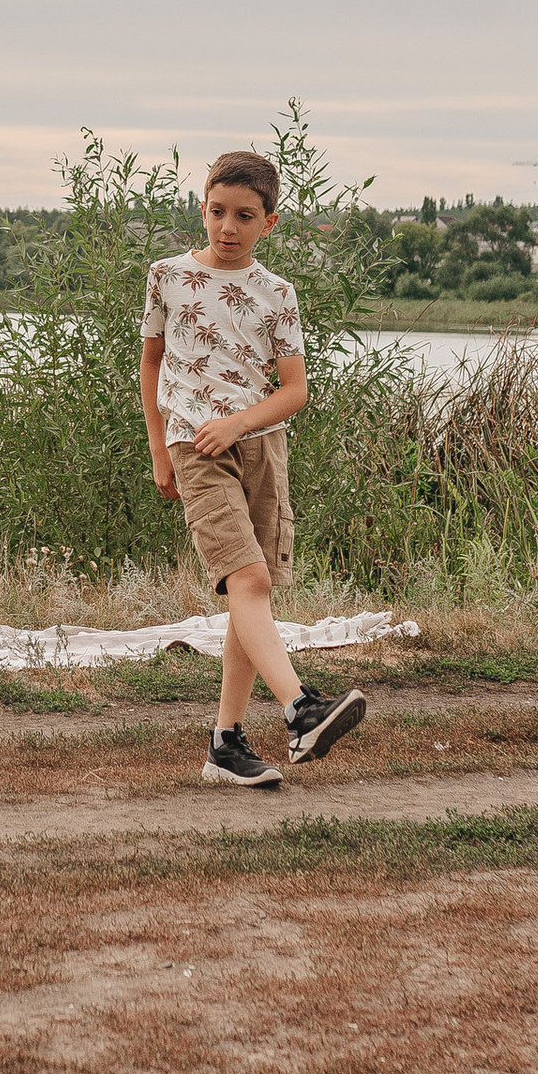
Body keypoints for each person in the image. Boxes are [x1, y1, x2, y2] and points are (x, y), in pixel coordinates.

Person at [140, 147, 367, 789]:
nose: (227, 227)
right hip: (194, 444)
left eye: (244, 215)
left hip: (261, 446)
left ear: (269, 222)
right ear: (202, 209)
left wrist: (241, 423)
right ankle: (301, 710)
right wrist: (161, 449)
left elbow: (295, 390)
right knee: (247, 576)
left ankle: (225, 743)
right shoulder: (168, 276)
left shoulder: (278, 294)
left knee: (255, 587)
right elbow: (151, 363)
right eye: (216, 212)